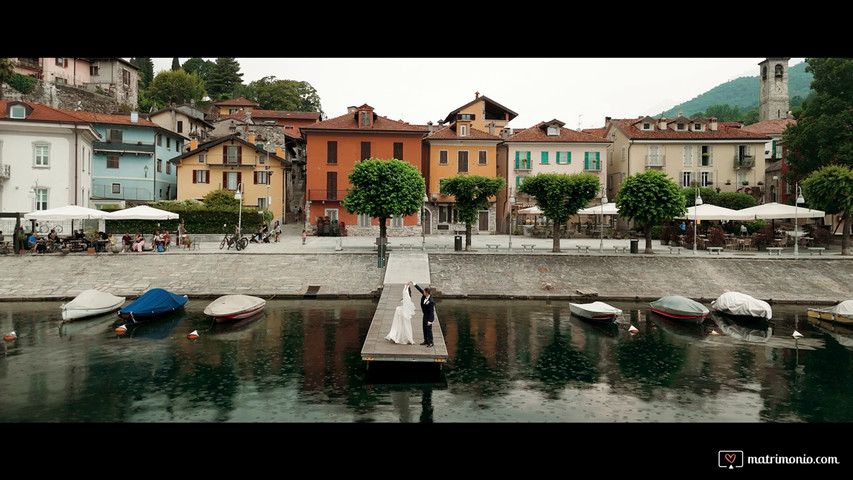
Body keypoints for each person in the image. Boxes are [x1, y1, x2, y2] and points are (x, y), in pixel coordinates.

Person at [413, 282, 436, 347]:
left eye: (424, 292)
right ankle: (426, 340)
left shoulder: (431, 301)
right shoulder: (424, 296)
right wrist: (414, 284)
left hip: (428, 317)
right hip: (425, 315)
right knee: (424, 328)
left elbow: (431, 312)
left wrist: (430, 321)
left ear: (427, 293)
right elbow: (420, 290)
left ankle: (431, 342)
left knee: (429, 329)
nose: (423, 293)